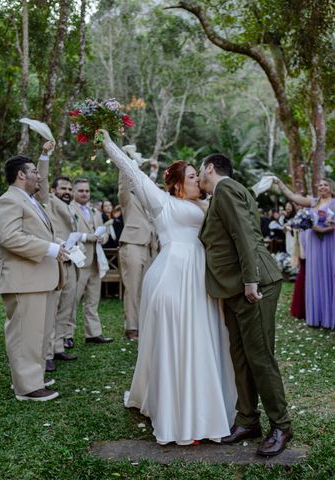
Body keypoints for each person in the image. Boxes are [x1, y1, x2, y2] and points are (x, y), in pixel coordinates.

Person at [100, 130, 237, 446]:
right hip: (172, 275)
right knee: (176, 341)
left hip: (199, 278)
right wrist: (108, 142)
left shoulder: (206, 204)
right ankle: (177, 416)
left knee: (204, 338)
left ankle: (204, 410)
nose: (198, 180)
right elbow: (132, 171)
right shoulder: (161, 202)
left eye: (197, 175)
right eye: (191, 176)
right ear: (176, 183)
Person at [200, 154, 292, 457]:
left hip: (254, 285)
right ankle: (247, 419)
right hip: (234, 287)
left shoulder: (225, 189)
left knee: (260, 356)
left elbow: (243, 232)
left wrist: (251, 280)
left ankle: (281, 425)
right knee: (240, 357)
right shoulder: (225, 194)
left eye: (200, 170)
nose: (199, 175)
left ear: (209, 168)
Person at [0, 150, 66, 401]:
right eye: (34, 172)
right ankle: (26, 388)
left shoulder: (30, 200)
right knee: (24, 334)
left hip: (39, 277)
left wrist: (57, 245)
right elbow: (9, 237)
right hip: (23, 279)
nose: (39, 177)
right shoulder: (8, 201)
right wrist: (49, 248)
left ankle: (34, 376)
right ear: (21, 175)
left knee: (38, 333)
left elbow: (34, 233)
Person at [276, 178, 335, 330]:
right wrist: (280, 184)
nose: (322, 187)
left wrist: (326, 229)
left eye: (326, 184)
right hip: (314, 245)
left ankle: (331, 316)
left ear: (331, 186)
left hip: (329, 244)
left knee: (329, 276)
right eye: (320, 185)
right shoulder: (314, 203)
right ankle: (317, 316)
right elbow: (294, 197)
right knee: (315, 277)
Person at [35, 145, 79, 370]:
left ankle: (60, 346)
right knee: (51, 310)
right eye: (63, 188)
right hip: (54, 262)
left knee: (66, 307)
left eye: (70, 189)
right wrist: (45, 156)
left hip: (71, 262)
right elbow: (40, 183)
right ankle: (47, 353)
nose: (67, 191)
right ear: (53, 190)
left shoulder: (72, 208)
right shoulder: (48, 201)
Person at [118, 152, 159, 341]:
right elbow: (124, 185)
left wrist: (153, 173)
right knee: (132, 288)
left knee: (146, 288)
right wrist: (126, 162)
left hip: (151, 247)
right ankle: (131, 327)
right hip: (132, 245)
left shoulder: (148, 202)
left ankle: (144, 325)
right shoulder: (127, 199)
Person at [70, 179, 113, 345]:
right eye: (80, 191)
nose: (84, 194)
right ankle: (68, 336)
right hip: (79, 260)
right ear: (74, 192)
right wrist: (87, 237)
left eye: (87, 191)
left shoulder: (95, 211)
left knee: (93, 299)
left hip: (96, 259)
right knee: (73, 300)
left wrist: (103, 237)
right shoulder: (69, 209)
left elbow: (105, 232)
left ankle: (93, 333)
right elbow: (70, 233)